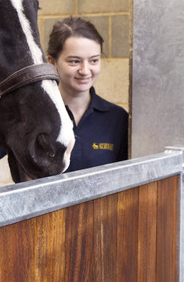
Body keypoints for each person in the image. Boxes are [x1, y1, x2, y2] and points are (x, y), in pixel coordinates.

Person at [46, 17, 128, 172]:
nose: (85, 71)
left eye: (94, 61)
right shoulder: (33, 115)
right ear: (52, 62)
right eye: (74, 61)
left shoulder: (117, 119)